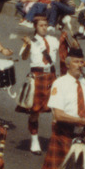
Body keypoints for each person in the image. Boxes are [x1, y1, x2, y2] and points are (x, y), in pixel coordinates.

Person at [17, 17, 60, 154]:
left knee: (57, 109)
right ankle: (34, 140)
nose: (44, 27)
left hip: (52, 76)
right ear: (35, 26)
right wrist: (28, 45)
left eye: (46, 25)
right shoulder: (30, 40)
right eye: (41, 25)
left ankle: (56, 140)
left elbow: (65, 53)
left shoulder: (54, 40)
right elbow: (23, 57)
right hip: (37, 76)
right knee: (35, 111)